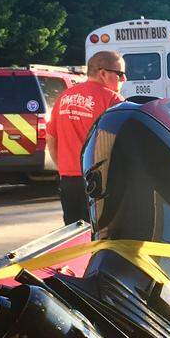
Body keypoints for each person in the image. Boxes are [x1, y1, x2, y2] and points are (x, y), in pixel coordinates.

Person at [46, 51, 125, 224]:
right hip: (99, 180)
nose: (124, 79)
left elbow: (51, 138)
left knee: (74, 234)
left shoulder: (65, 97)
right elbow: (123, 142)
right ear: (103, 73)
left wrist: (63, 169)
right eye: (120, 74)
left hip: (68, 180)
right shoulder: (112, 99)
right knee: (102, 235)